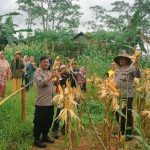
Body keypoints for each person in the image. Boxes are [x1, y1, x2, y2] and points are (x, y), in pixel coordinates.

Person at [33, 56, 60, 148]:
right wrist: (51, 77)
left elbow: (54, 84)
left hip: (50, 102)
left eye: (48, 62)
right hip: (42, 102)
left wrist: (57, 79)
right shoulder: (37, 72)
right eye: (44, 62)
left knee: (48, 121)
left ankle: (45, 136)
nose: (46, 64)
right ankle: (36, 139)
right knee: (39, 121)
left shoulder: (49, 72)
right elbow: (41, 84)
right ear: (40, 63)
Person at [114, 53, 141, 141]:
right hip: (118, 95)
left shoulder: (131, 69)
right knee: (118, 113)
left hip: (127, 95)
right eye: (120, 59)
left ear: (127, 61)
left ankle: (128, 134)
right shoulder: (119, 70)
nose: (121, 60)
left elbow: (138, 75)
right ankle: (122, 131)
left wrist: (137, 65)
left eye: (123, 59)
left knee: (127, 114)